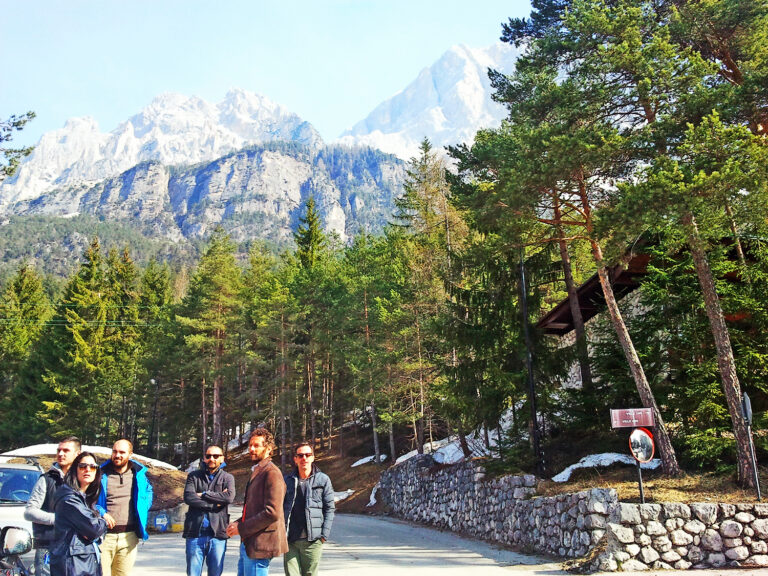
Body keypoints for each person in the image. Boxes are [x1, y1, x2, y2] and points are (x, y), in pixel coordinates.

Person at [226, 428, 288, 576]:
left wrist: (241, 527)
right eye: (250, 446)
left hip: (260, 545)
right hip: (249, 543)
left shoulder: (272, 473)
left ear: (269, 449)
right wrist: (237, 523)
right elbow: (253, 509)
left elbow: (272, 513)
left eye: (256, 446)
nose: (251, 449)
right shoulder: (258, 470)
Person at [25, 436, 81, 576]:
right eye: (59, 450)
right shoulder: (46, 479)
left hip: (78, 548)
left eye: (66, 450)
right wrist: (57, 519)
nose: (60, 454)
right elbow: (30, 511)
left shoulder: (85, 479)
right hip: (48, 547)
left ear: (77, 454)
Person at [96, 439, 153, 576]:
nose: (117, 455)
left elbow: (148, 492)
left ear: (130, 454)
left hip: (129, 537)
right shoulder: (100, 474)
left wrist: (143, 508)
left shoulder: (138, 474)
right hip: (104, 537)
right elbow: (89, 500)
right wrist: (102, 512)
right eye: (115, 451)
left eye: (122, 452)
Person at [49, 451, 109, 576]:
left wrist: (94, 528)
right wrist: (103, 520)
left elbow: (92, 530)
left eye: (92, 467)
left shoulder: (85, 498)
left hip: (83, 561)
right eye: (83, 466)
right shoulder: (69, 498)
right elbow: (94, 529)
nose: (88, 469)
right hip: (73, 564)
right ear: (75, 469)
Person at [283, 442, 335, 576]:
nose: (304, 458)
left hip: (313, 540)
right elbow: (279, 507)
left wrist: (324, 535)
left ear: (313, 457)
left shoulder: (323, 479)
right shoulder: (287, 480)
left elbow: (329, 508)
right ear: (295, 459)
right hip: (291, 541)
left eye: (308, 455)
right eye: (300, 455)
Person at [183, 445, 235, 576]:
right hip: (195, 534)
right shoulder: (193, 476)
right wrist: (214, 505)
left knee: (215, 573)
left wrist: (204, 494)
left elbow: (228, 497)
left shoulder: (228, 478)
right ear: (204, 458)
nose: (212, 459)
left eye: (216, 456)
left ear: (222, 458)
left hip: (217, 534)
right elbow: (189, 497)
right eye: (208, 456)